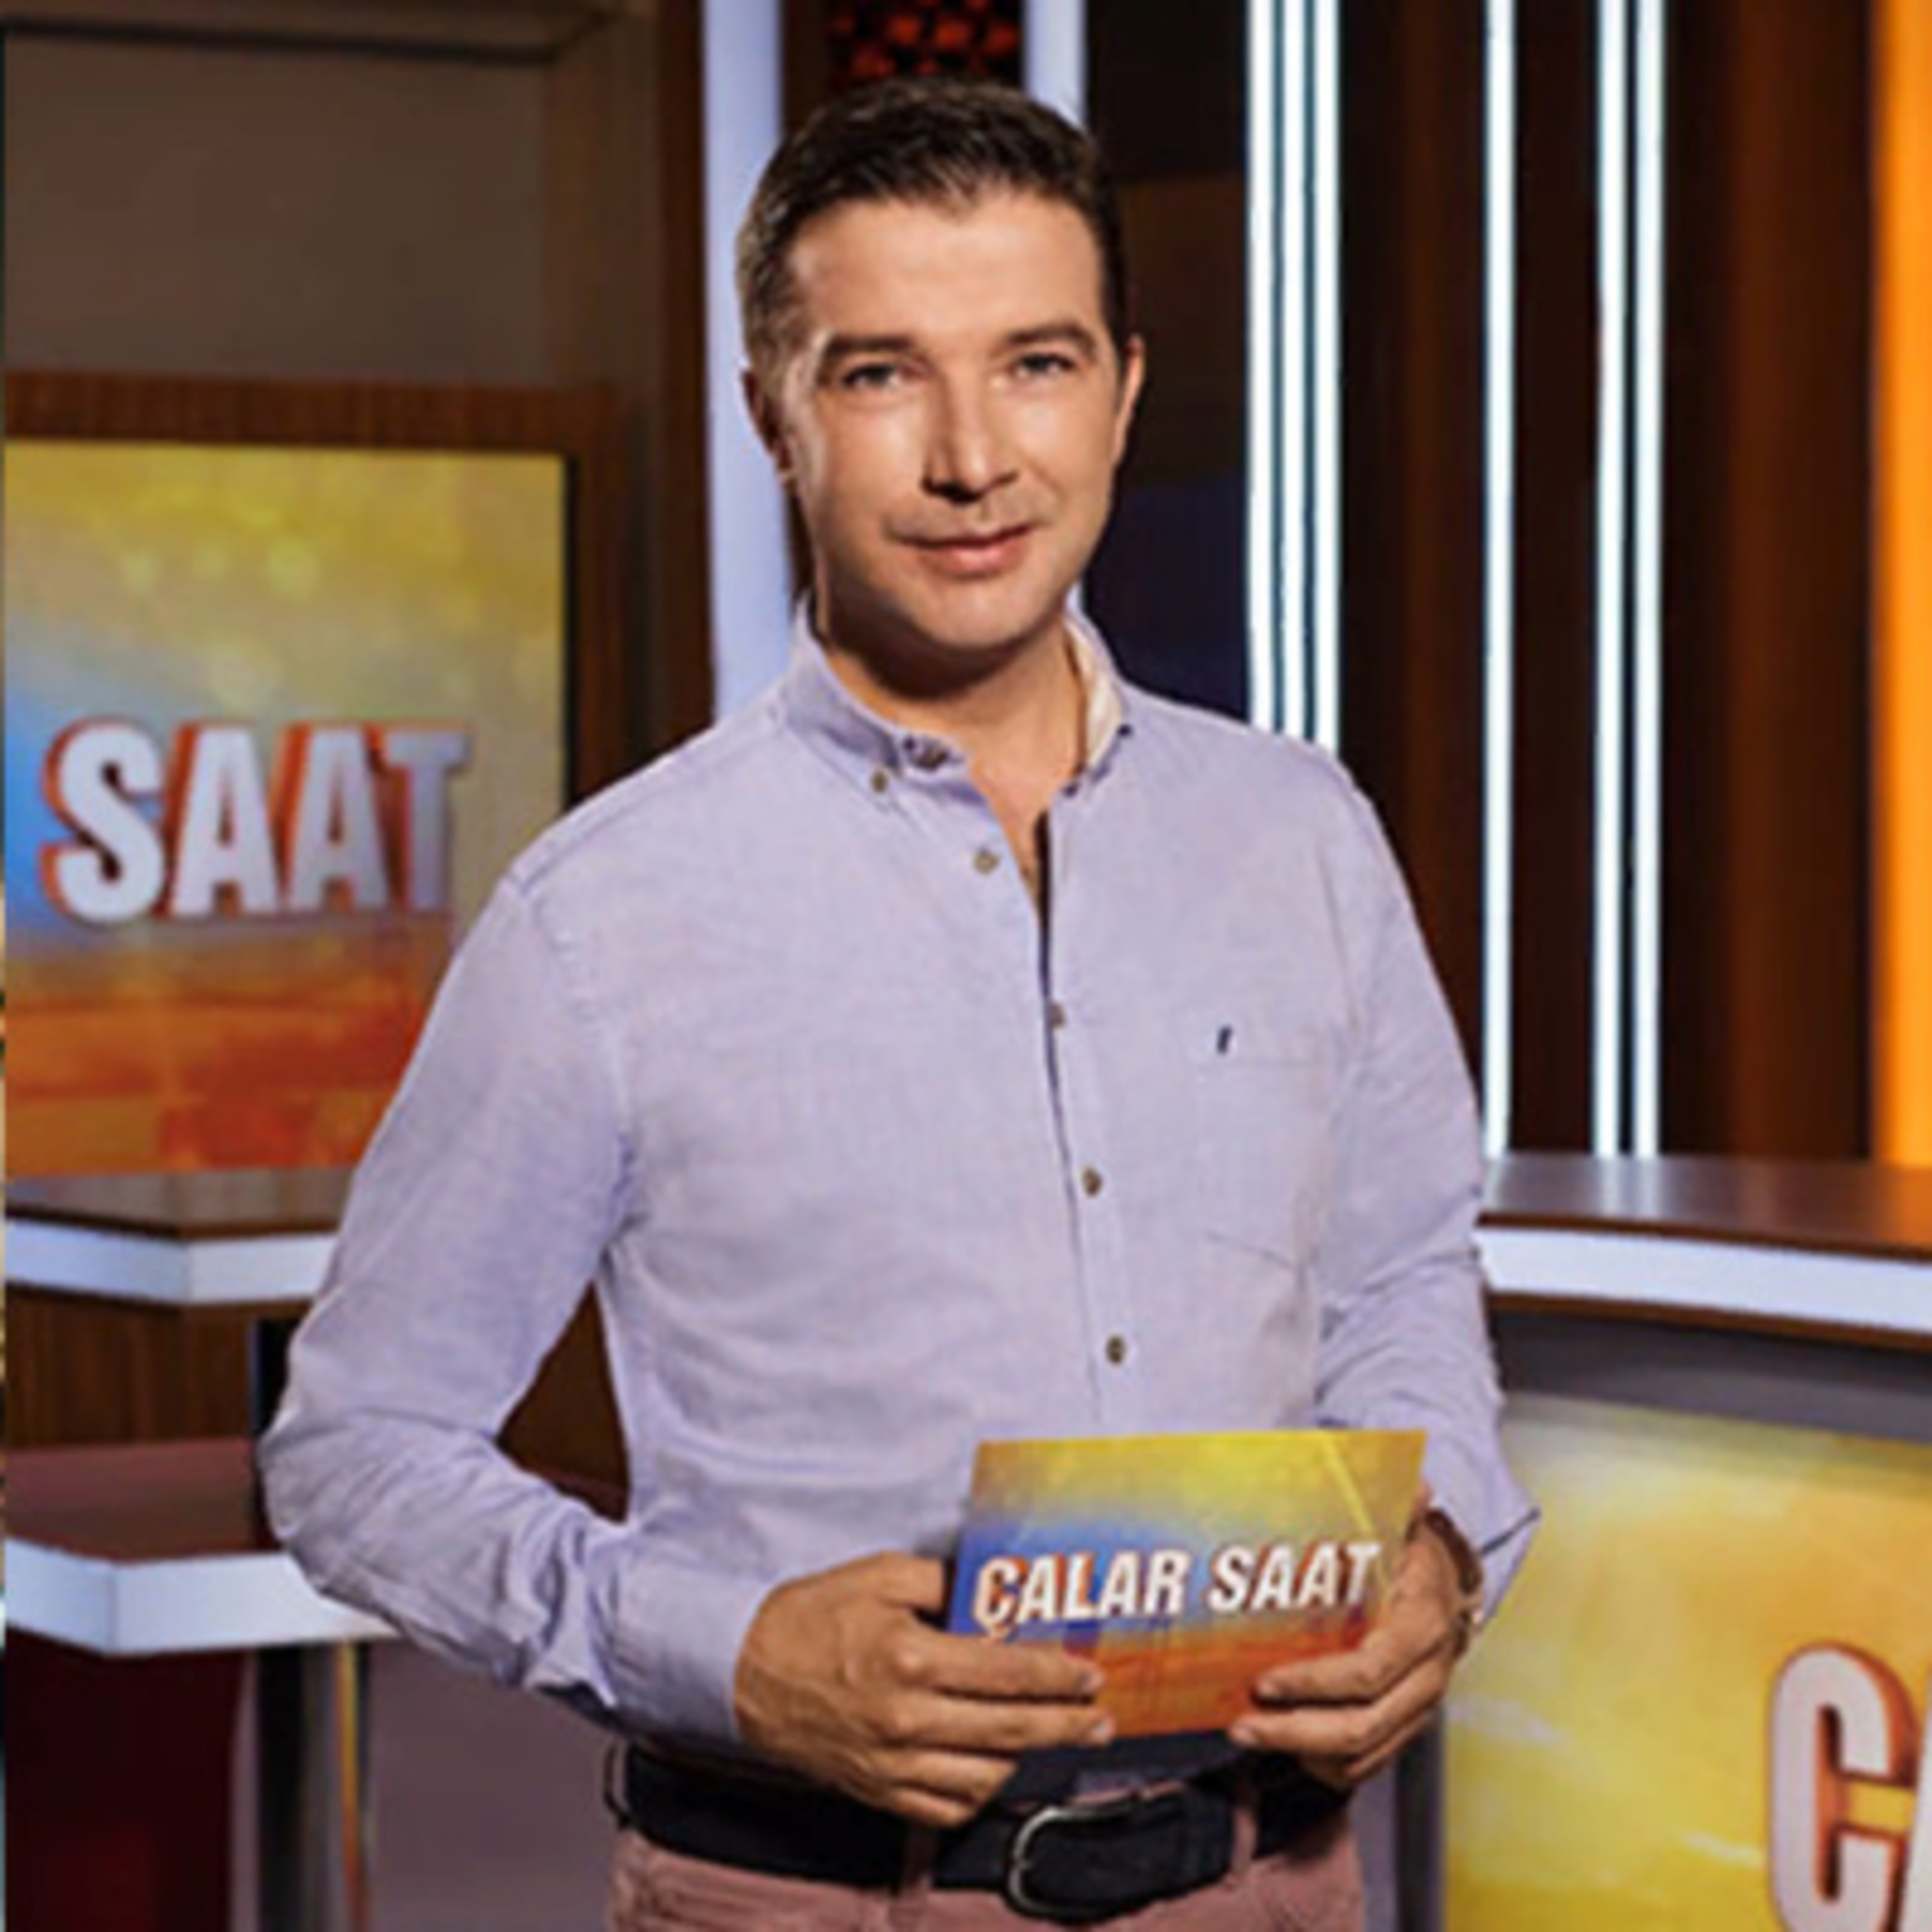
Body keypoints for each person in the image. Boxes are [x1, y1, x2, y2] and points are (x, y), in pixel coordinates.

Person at [262, 75, 1535, 1930]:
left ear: (1123, 392)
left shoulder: (1302, 835)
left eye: (1035, 364)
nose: (972, 459)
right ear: (774, 413)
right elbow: (354, 1453)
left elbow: (1401, 1277)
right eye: (880, 375)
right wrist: (722, 1650)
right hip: (823, 1897)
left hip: (1271, 1881)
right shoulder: (601, 920)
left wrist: (1442, 1546)